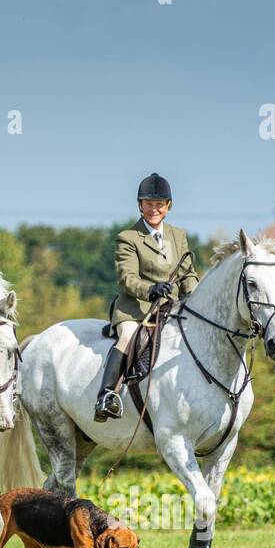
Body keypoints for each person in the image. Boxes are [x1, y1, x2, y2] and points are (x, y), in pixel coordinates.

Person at [95, 172, 199, 422]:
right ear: (140, 205)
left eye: (159, 204)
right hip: (136, 308)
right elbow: (126, 278)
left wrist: (195, 298)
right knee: (129, 338)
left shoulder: (178, 235)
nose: (154, 209)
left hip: (170, 308)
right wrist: (150, 289)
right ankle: (106, 395)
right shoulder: (128, 238)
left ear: (168, 206)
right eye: (149, 204)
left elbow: (188, 274)